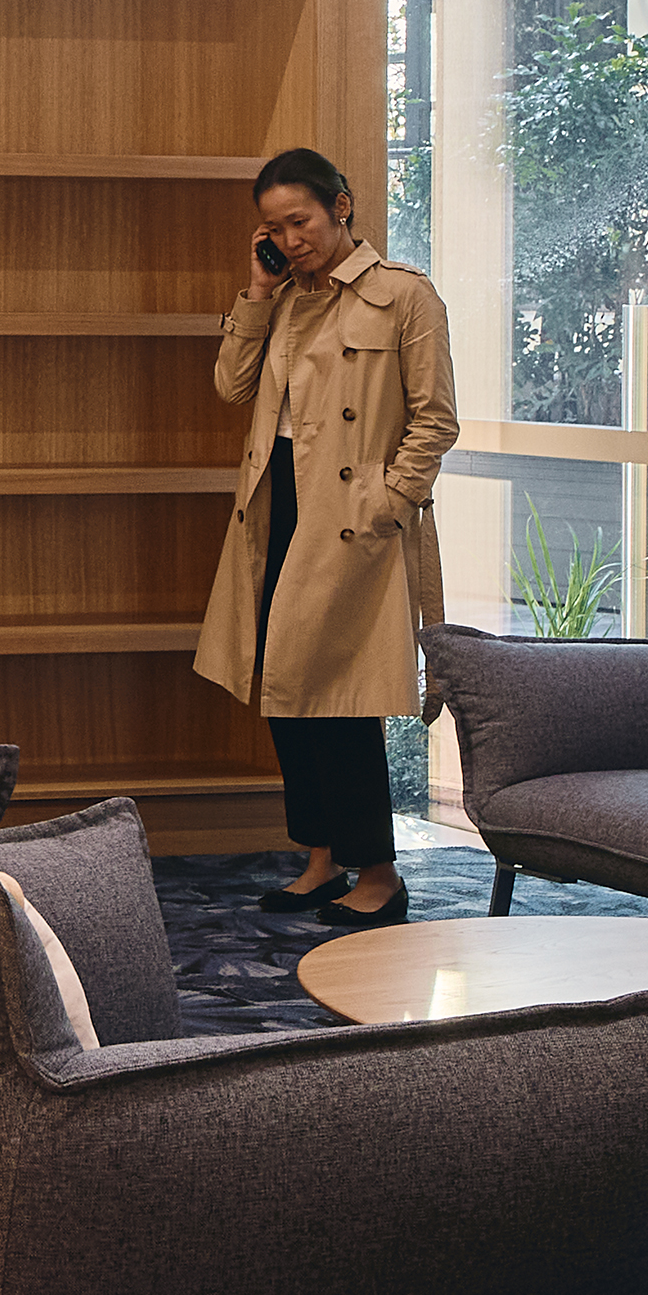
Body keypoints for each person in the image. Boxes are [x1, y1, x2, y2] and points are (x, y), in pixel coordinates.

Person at [194, 147, 457, 927]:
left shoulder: (403, 297)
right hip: (277, 512)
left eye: (299, 220)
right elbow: (230, 386)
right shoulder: (281, 298)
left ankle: (376, 869)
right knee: (286, 691)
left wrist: (389, 500)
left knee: (340, 703)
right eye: (272, 227)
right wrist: (257, 291)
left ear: (342, 206)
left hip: (351, 525)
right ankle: (318, 857)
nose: (290, 237)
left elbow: (434, 420)